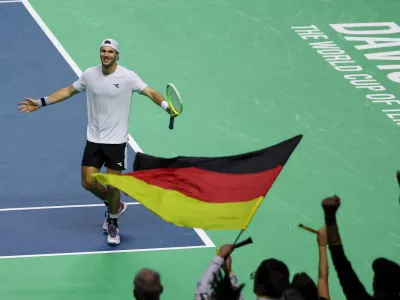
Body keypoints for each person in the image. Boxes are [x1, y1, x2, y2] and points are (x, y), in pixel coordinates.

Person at [17, 38, 175, 246]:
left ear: (117, 55)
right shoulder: (89, 75)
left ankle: (113, 223)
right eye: (103, 51)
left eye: (110, 52)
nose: (106, 55)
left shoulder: (128, 77)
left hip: (116, 141)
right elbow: (68, 90)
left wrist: (166, 107)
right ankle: (114, 205)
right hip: (94, 139)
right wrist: (41, 102)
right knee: (88, 182)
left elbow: (150, 92)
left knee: (112, 184)